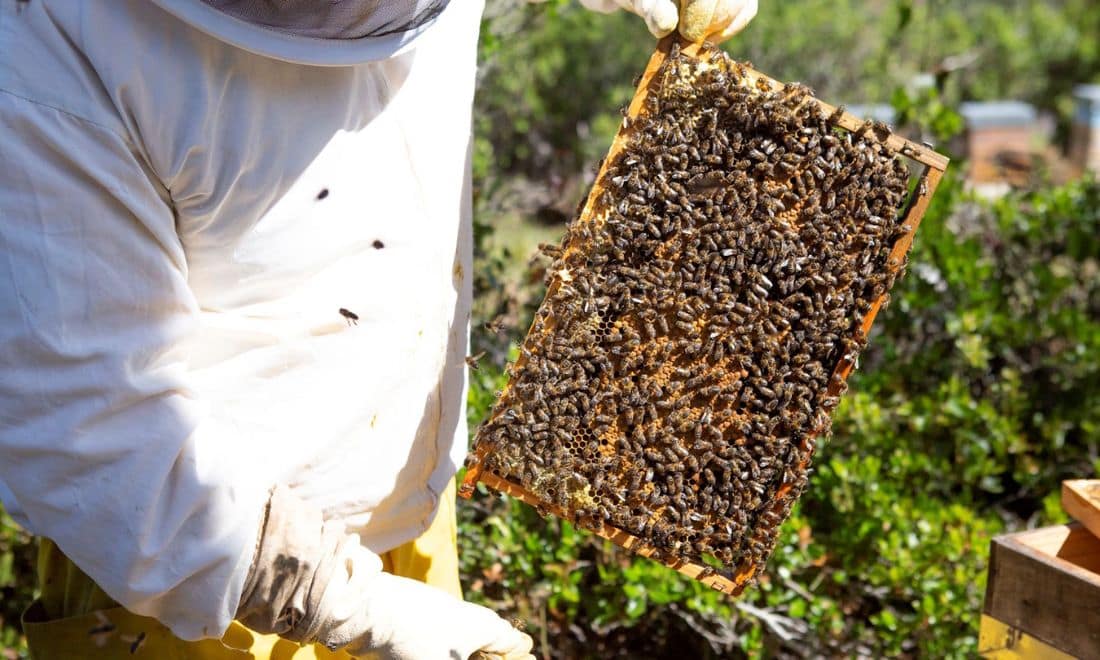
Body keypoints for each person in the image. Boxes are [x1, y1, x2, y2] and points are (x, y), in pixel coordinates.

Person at [0, 0, 756, 658]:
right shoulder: (48, 46)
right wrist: (361, 607)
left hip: (411, 509)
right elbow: (93, 436)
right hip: (185, 577)